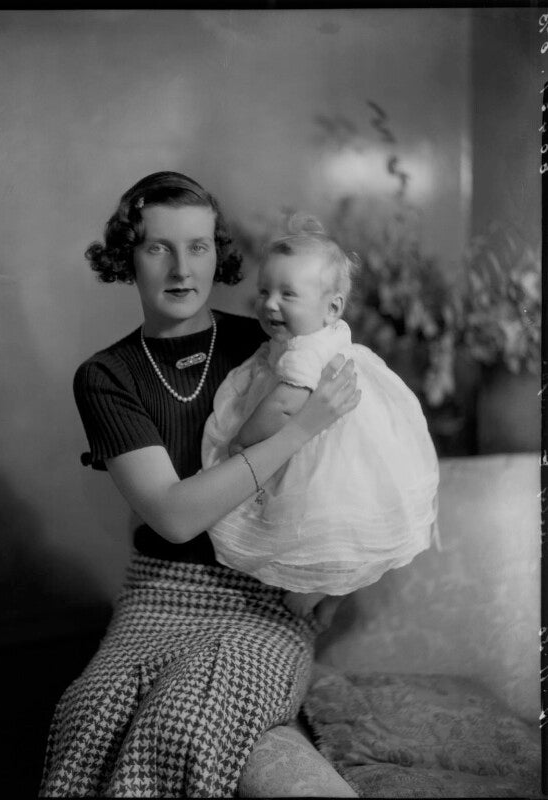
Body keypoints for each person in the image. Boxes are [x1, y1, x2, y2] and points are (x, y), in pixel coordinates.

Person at [39, 172, 361, 798]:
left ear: (219, 253)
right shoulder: (106, 376)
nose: (183, 268)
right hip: (160, 593)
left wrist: (338, 585)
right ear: (127, 257)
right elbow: (175, 517)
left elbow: (358, 460)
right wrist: (296, 431)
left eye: (200, 246)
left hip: (263, 599)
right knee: (87, 710)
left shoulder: (274, 340)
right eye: (159, 247)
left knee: (182, 719)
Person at [202, 214, 440, 618]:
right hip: (352, 447)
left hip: (325, 452)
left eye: (287, 295)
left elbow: (284, 406)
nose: (269, 304)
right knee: (340, 536)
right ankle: (332, 598)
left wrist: (244, 440)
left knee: (313, 530)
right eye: (264, 291)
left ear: (331, 308)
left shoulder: (306, 352)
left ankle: (313, 595)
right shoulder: (321, 336)